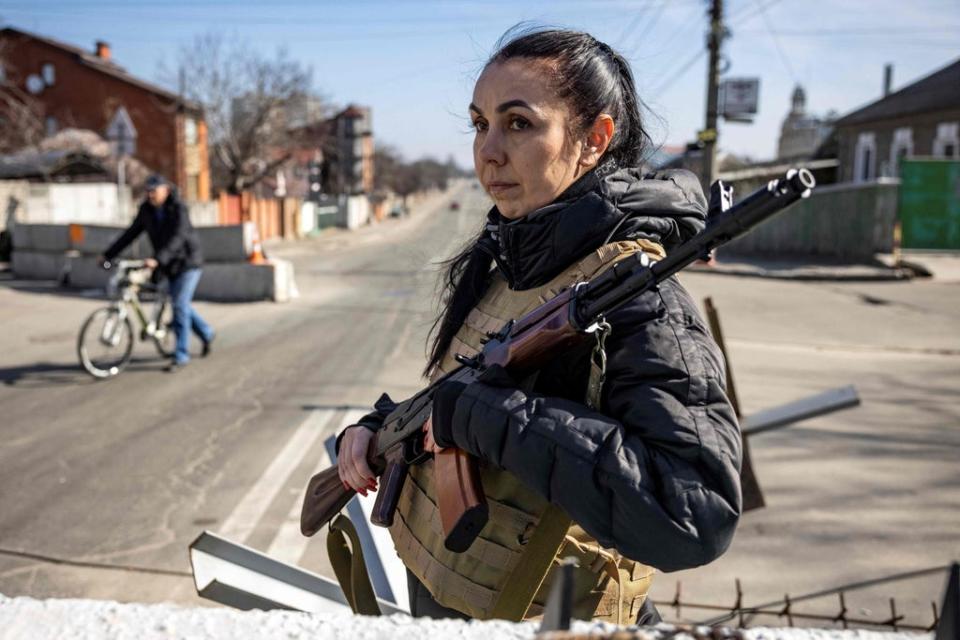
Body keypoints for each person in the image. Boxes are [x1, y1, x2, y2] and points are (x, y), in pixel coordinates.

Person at [336, 28, 741, 624]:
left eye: (519, 124)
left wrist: (488, 418)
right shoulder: (508, 260)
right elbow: (459, 388)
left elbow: (693, 512)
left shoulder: (640, 295)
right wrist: (380, 429)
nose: (489, 152)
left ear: (594, 140)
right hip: (452, 600)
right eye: (480, 124)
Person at [100, 175, 214, 372]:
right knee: (181, 305)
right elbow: (131, 233)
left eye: (155, 190)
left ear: (166, 190)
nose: (150, 194)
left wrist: (158, 259)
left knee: (179, 305)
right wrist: (108, 255)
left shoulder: (178, 208)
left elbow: (179, 237)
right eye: (148, 190)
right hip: (167, 264)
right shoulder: (146, 210)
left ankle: (181, 355)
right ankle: (206, 332)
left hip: (187, 263)